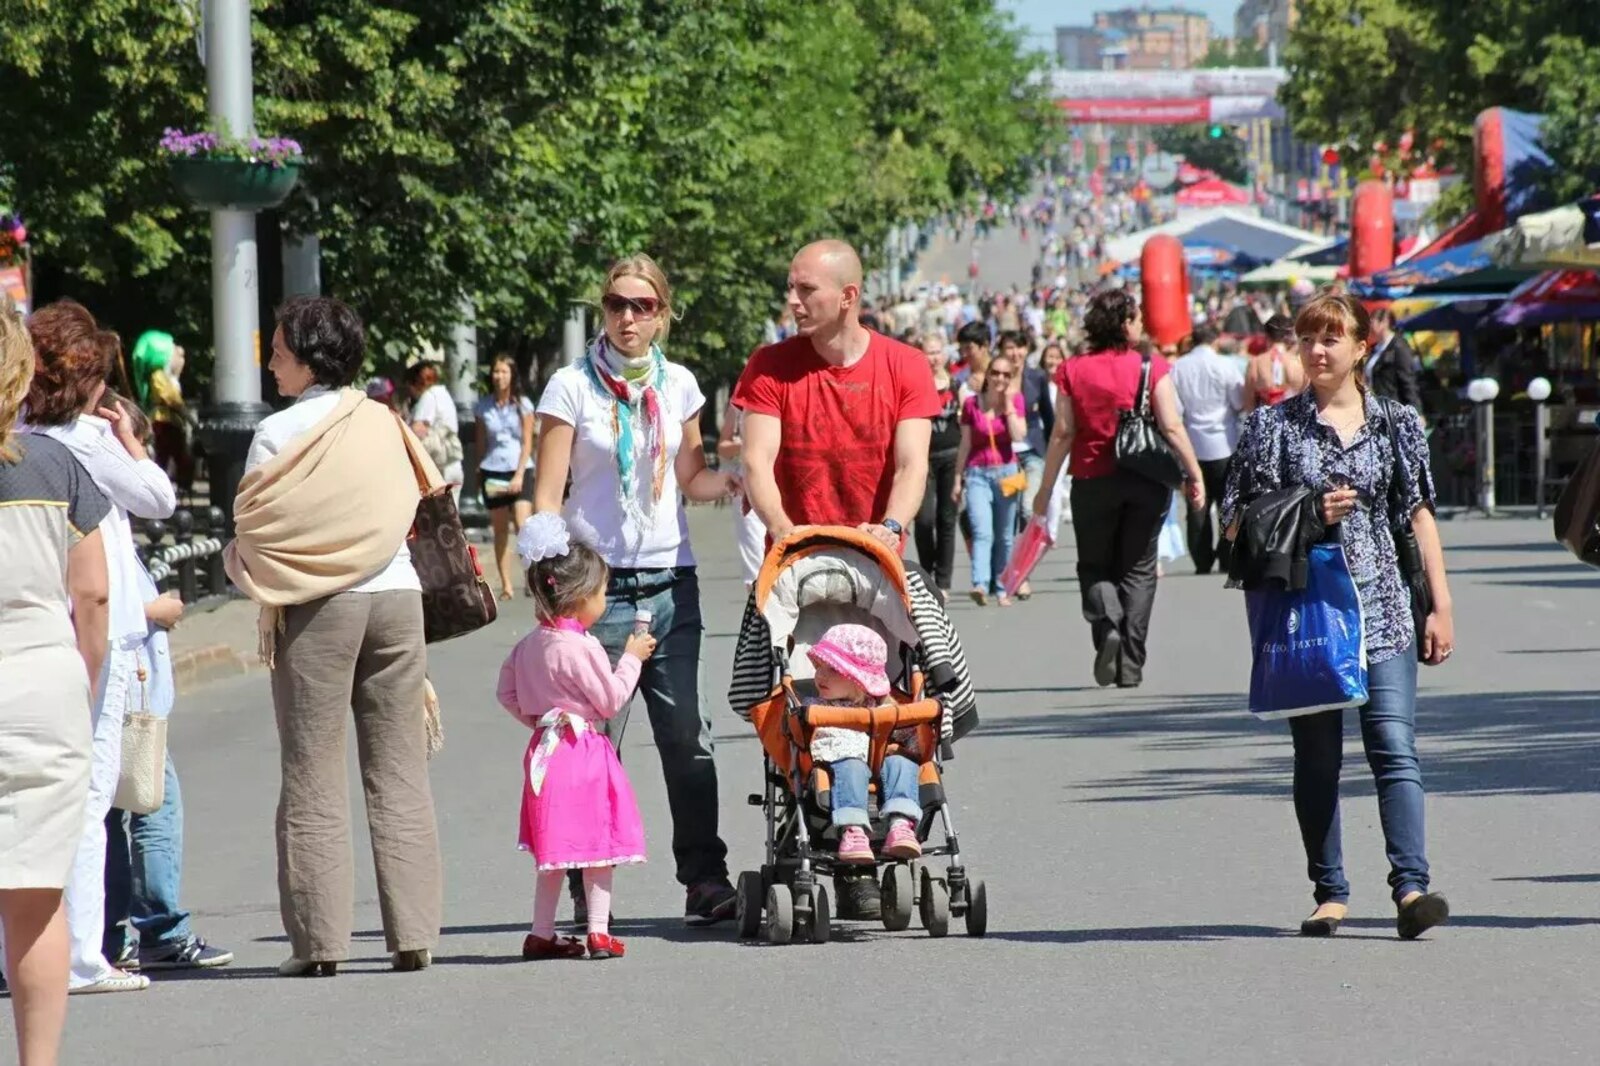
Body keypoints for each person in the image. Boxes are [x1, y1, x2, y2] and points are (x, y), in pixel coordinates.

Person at [1222, 292, 1455, 941]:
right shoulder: (1274, 428)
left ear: (1359, 346)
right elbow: (1234, 517)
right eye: (1308, 339)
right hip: (1309, 613)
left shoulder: (1397, 425)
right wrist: (1307, 512)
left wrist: (1440, 603)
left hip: (1383, 609)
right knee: (1318, 756)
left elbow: (1417, 513)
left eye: (1331, 339)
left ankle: (1412, 888)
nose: (1317, 351)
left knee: (1394, 747)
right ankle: (1330, 891)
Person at [225, 296, 443, 977]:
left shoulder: (276, 434)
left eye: (280, 352)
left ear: (309, 358)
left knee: (313, 773)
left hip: (320, 607)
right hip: (398, 598)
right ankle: (414, 935)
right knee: (400, 769)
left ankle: (319, 946)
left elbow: (256, 534)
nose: (271, 363)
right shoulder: (383, 421)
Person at [533, 253, 741, 927]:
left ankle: (704, 878)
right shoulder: (569, 387)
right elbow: (547, 494)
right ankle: (586, 885)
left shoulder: (679, 385)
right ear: (605, 310)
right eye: (617, 304)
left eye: (641, 306)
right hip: (595, 590)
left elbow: (692, 477)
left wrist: (739, 479)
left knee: (688, 735)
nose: (627, 316)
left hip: (669, 584)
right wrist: (549, 588)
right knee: (589, 742)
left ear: (662, 315)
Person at [25, 302, 177, 996]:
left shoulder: (20, 435)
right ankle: (82, 956)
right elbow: (159, 499)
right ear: (87, 378)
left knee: (26, 798)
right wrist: (129, 438)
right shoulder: (86, 440)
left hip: (31, 627)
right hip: (99, 632)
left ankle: (24, 951)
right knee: (87, 796)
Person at [0, 300, 112, 1065]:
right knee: (36, 899)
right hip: (40, 682)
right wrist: (86, 677)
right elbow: (94, 594)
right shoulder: (53, 464)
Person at [101, 396, 232, 974]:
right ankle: (158, 929)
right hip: (127, 683)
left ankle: (109, 933)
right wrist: (156, 609)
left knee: (108, 812)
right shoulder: (98, 501)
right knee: (152, 806)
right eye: (138, 444)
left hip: (118, 681)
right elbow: (159, 497)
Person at [1032, 289, 1205, 689]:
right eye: (1136, 317)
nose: (1141, 323)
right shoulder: (1150, 365)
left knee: (1094, 566)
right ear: (1124, 323)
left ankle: (1107, 623)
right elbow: (1172, 426)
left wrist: (1045, 488)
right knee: (1140, 569)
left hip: (1092, 479)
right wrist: (1192, 475)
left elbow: (1062, 432)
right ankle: (1131, 662)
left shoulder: (1072, 369)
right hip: (1146, 479)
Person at [498, 515, 653, 961]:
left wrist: (541, 721)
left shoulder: (529, 645)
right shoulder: (581, 647)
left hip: (546, 755)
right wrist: (632, 658)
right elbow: (610, 701)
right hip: (583, 753)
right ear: (581, 598)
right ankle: (599, 931)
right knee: (597, 847)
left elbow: (505, 692)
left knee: (554, 851)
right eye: (602, 594)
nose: (604, 601)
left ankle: (541, 931)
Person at [735, 240, 940, 551]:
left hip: (876, 555)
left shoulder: (907, 365)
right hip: (795, 558)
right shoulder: (768, 365)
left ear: (848, 296)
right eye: (791, 287)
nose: (792, 300)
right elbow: (756, 461)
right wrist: (782, 530)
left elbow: (911, 465)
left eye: (806, 289)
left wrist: (892, 526)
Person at [804, 624, 922, 864]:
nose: (819, 676)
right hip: (845, 767)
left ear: (858, 681)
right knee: (852, 766)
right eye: (819, 667)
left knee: (902, 761)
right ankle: (853, 829)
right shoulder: (816, 708)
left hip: (881, 764)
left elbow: (909, 737)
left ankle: (901, 824)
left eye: (832, 670)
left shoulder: (885, 708)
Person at [1168, 323, 1245, 575]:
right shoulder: (1226, 365)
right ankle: (1226, 555)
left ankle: (1201, 559)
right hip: (1224, 439)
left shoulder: (1178, 367)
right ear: (1215, 340)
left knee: (1197, 504)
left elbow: (1175, 409)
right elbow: (1238, 401)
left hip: (1192, 441)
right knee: (1228, 503)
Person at [953, 350, 1026, 606]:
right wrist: (957, 478)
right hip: (977, 474)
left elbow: (1018, 436)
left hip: (1007, 473)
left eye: (1006, 375)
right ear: (988, 375)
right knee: (982, 532)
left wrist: (1007, 408)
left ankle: (1002, 586)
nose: (1000, 379)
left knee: (1005, 535)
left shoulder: (1015, 401)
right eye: (995, 373)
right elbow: (965, 443)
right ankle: (980, 585)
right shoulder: (972, 404)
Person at [474, 353, 537, 600]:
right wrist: (478, 470)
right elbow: (481, 443)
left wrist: (520, 474)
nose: (499, 376)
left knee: (523, 524)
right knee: (499, 529)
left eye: (504, 372)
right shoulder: (483, 407)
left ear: (512, 375)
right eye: (496, 371)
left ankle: (531, 577)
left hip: (519, 468)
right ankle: (507, 584)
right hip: (493, 468)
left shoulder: (523, 405)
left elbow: (527, 442)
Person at [914, 332, 961, 599]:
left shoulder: (956, 385)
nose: (933, 358)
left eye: (936, 352)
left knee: (946, 518)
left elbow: (965, 424)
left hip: (951, 456)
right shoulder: (917, 384)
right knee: (924, 519)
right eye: (928, 352)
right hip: (924, 458)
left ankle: (943, 580)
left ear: (944, 353)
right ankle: (926, 573)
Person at [129, 330, 193, 494]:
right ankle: (161, 488)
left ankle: (175, 487)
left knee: (174, 456)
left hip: (170, 421)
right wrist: (186, 413)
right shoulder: (158, 375)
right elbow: (170, 397)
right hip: (163, 421)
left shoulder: (167, 376)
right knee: (167, 456)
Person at [717, 396, 768, 590]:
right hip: (745, 488)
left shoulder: (785, 393)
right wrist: (745, 444)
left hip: (781, 487)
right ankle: (757, 609)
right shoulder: (738, 403)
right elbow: (723, 447)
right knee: (755, 554)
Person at [406, 357, 464, 497]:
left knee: (439, 516)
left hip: (439, 468)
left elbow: (417, 431)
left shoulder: (428, 397)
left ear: (417, 382)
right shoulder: (444, 394)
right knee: (451, 515)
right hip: (453, 463)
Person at [1366, 307, 1426, 415]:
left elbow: (1407, 379)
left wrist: (1417, 411)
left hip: (1393, 408)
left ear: (1384, 322)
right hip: (1376, 407)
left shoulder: (1399, 346)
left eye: (1372, 322)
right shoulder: (1376, 348)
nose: (1370, 326)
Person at [1242, 315, 1304, 411]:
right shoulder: (1299, 363)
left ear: (1267, 336)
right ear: (1289, 336)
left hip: (1265, 421)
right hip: (1294, 420)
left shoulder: (1255, 363)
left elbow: (1248, 402)